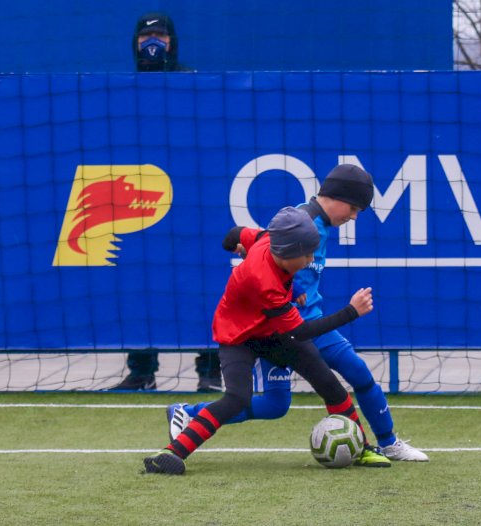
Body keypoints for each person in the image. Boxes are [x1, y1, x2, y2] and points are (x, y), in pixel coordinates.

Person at [166, 164, 429, 464]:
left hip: (306, 326)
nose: (354, 217)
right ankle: (188, 413)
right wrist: (346, 311)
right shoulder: (302, 224)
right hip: (281, 331)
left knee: (357, 373)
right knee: (276, 405)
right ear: (335, 196)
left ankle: (387, 444)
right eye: (354, 208)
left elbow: (255, 243)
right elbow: (268, 265)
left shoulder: (318, 225)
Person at [144, 207, 374, 474]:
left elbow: (232, 236)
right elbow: (301, 332)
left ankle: (363, 446)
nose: (311, 259)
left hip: (271, 332)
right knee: (236, 399)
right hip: (239, 337)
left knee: (328, 383)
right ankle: (171, 452)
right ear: (287, 253)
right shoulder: (263, 280)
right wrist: (351, 312)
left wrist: (242, 249)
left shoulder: (267, 238)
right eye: (308, 254)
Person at [111, 12, 218, 391]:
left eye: (159, 35)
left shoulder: (193, 83)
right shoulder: (123, 88)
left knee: (205, 284)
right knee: (141, 281)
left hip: (194, 202)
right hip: (145, 201)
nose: (152, 42)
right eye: (146, 36)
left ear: (172, 42)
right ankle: (142, 371)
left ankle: (211, 371)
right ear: (135, 42)